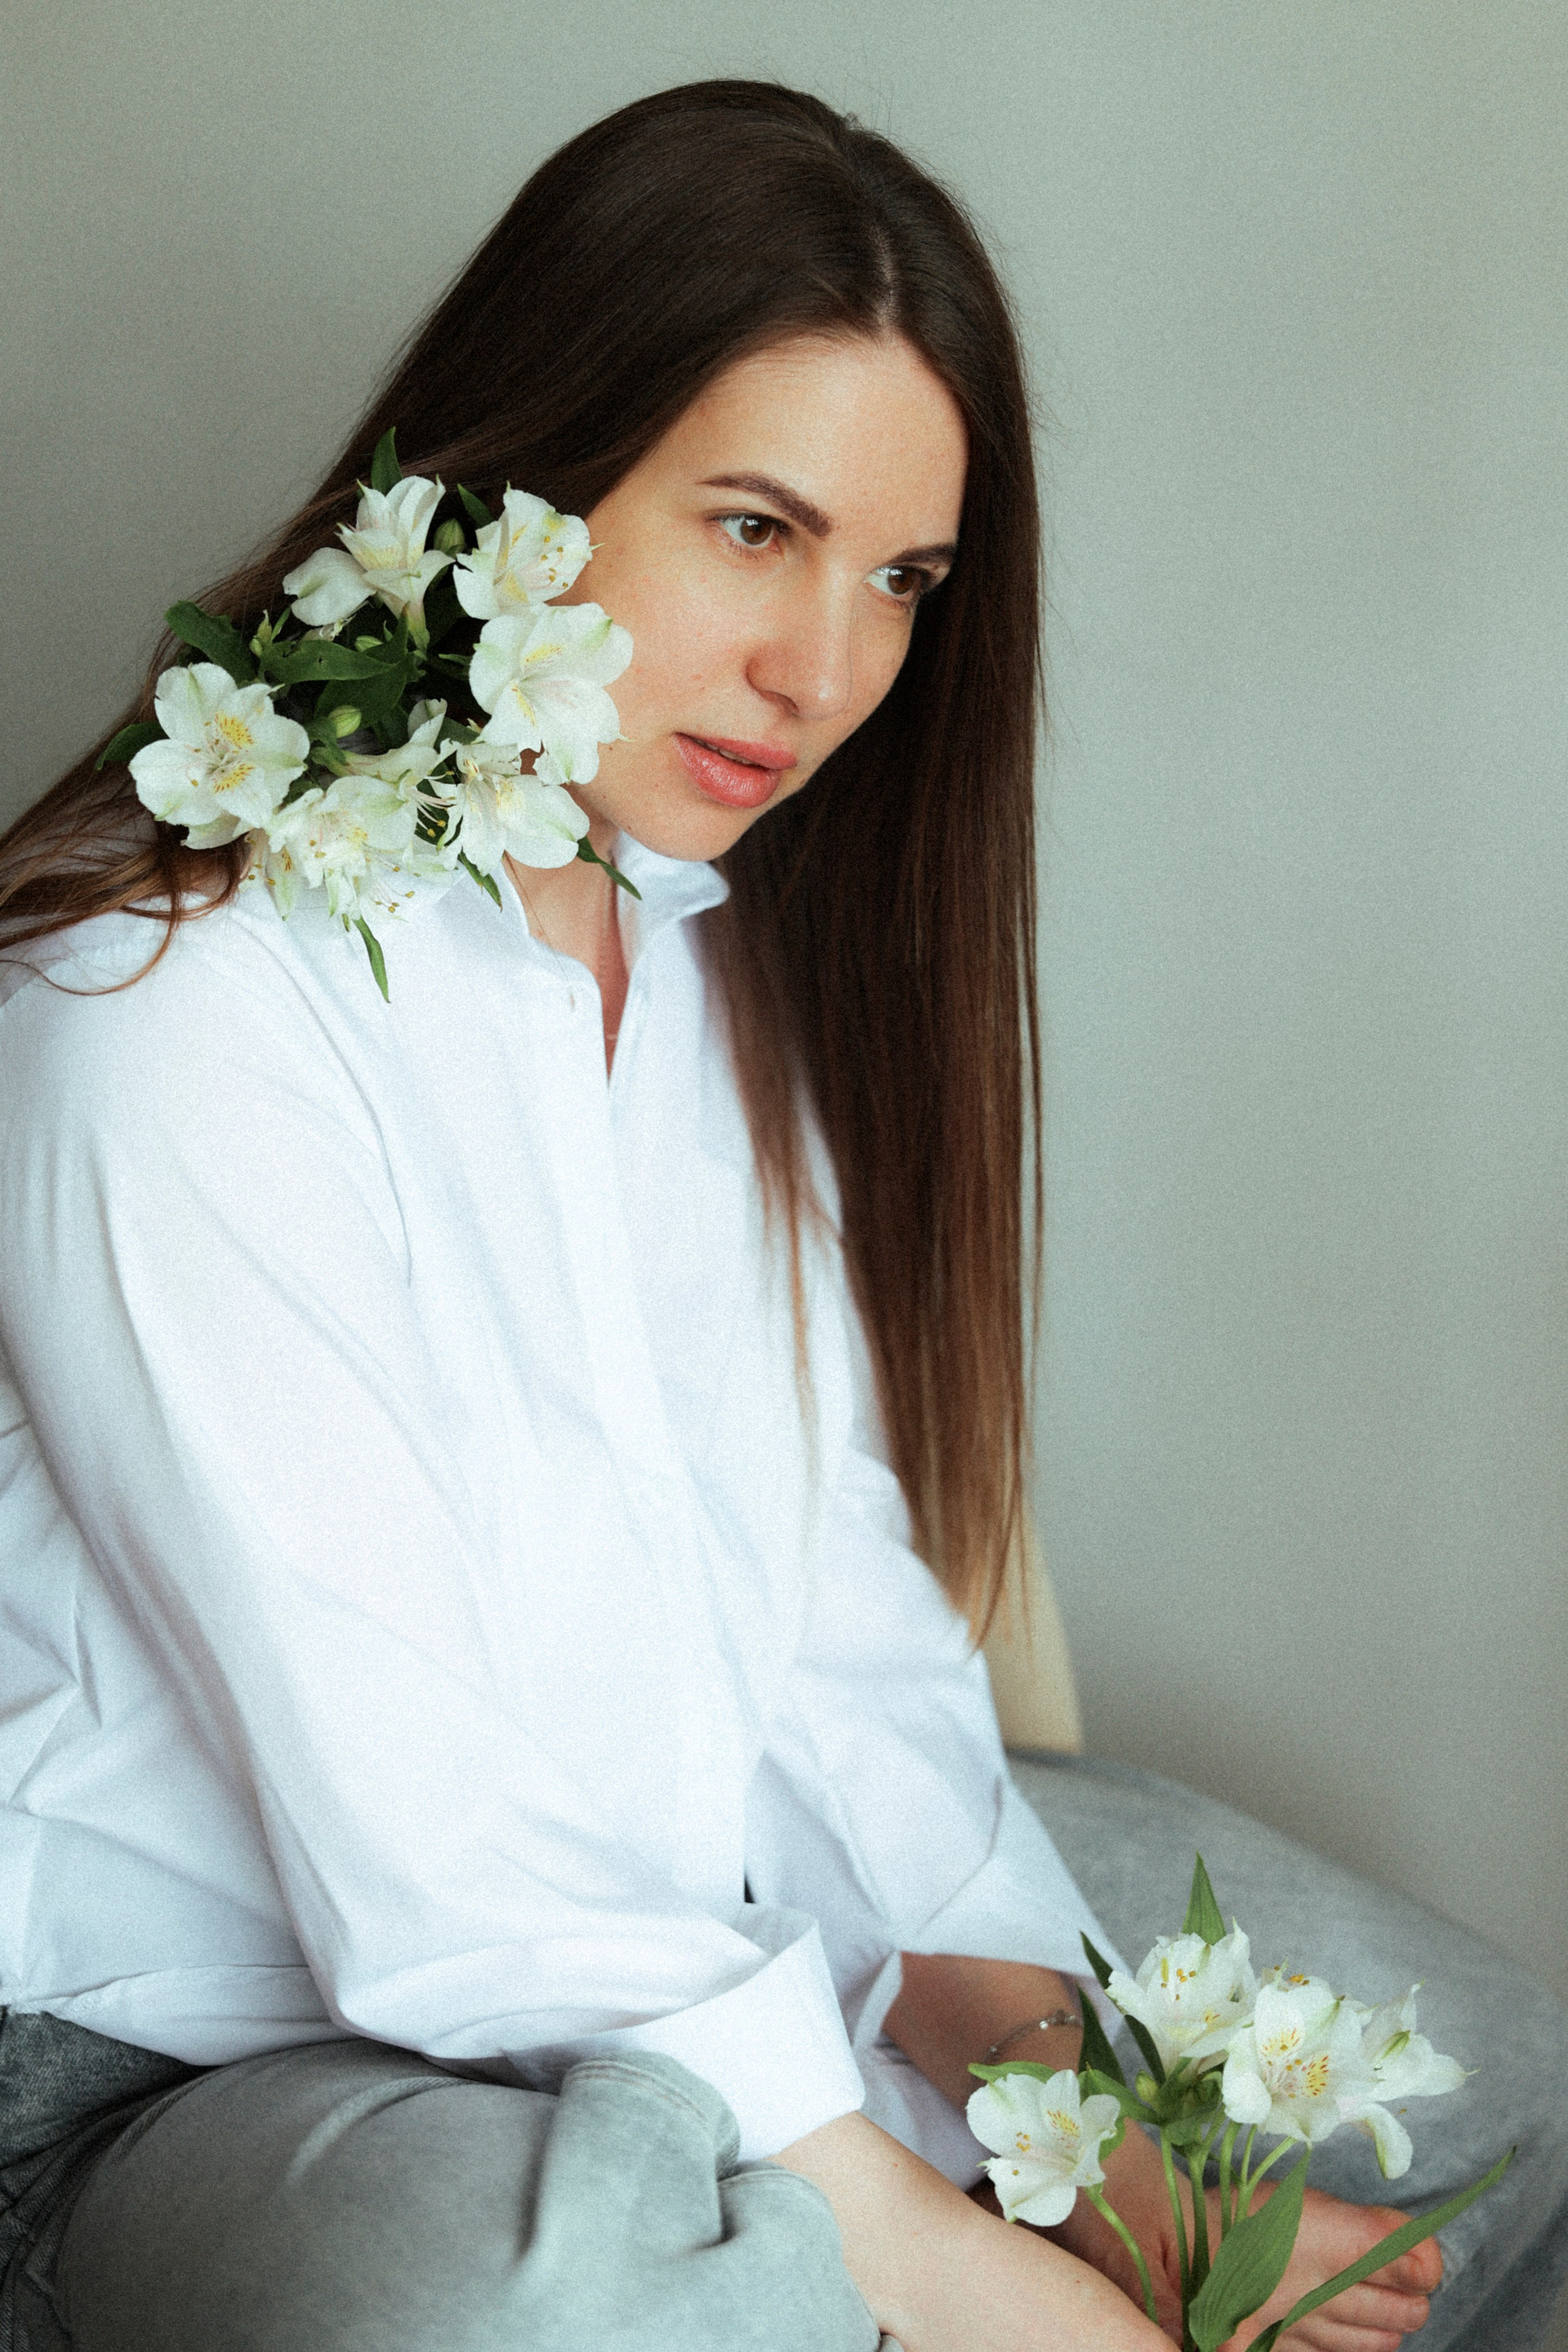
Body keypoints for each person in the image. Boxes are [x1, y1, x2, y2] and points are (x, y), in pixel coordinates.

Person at [1, 78, 1563, 2352]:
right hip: (203, 2059)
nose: (825, 672)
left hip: (711, 1938)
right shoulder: (162, 1003)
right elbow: (436, 1837)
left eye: (903, 581)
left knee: (1499, 2093)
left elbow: (836, 1662)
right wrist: (977, 2269)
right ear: (520, 480)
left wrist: (1105, 2149)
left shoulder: (703, 974)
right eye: (756, 528)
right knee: (551, 2304)